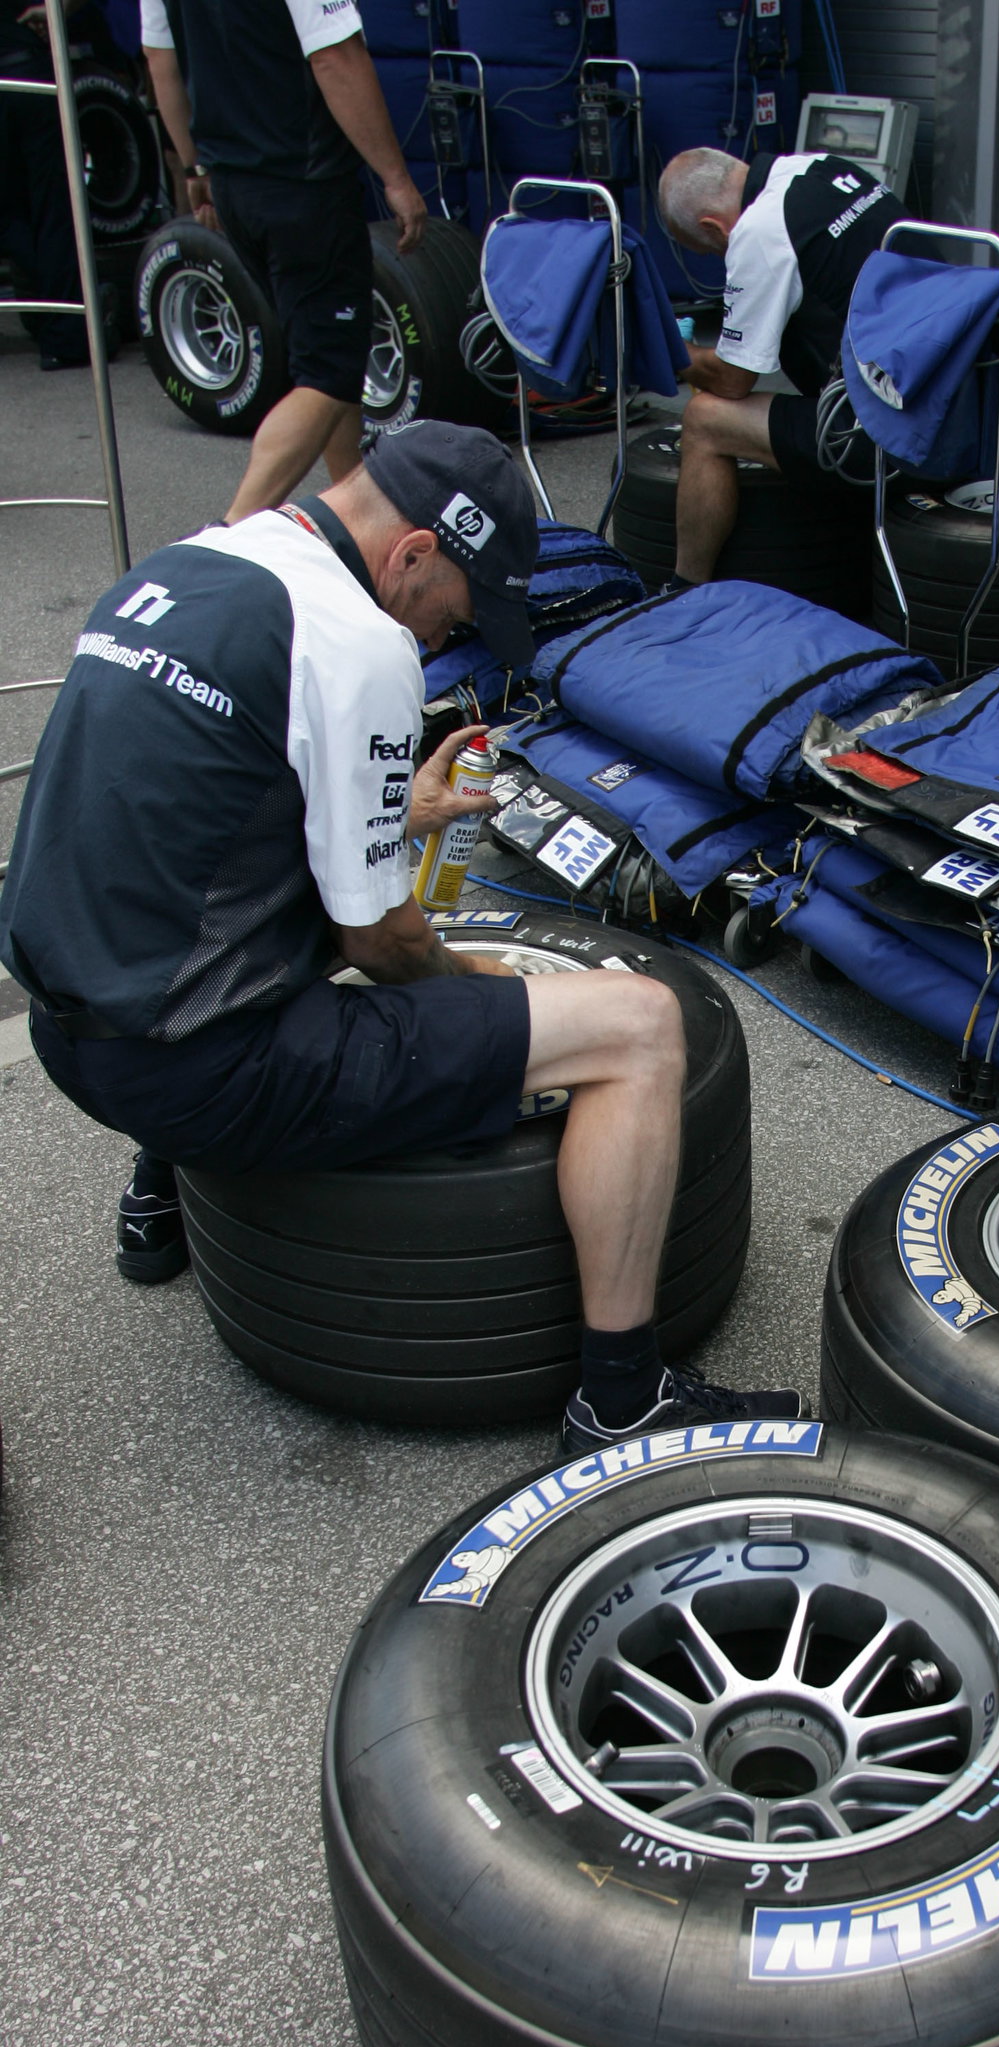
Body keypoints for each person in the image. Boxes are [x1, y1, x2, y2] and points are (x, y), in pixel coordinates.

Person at [0, 419, 803, 1454]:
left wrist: (398, 815)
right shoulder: (357, 639)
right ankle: (621, 1396)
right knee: (642, 1027)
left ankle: (159, 1197)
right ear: (413, 553)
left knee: (193, 897)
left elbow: (195, 819)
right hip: (194, 1070)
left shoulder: (192, 563)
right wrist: (480, 982)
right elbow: (380, 941)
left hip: (74, 1035)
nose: (440, 640)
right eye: (454, 610)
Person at [140, 0, 428, 525]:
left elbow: (161, 58)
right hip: (302, 184)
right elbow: (336, 57)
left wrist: (192, 164)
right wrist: (396, 178)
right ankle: (228, 538)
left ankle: (359, 522)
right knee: (326, 374)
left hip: (234, 183)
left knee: (326, 358)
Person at [656, 145, 903, 584]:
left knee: (705, 419)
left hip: (894, 437)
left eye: (712, 251)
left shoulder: (759, 231)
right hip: (953, 395)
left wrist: (673, 355)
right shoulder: (821, 167)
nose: (721, 259)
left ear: (712, 225)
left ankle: (682, 590)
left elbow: (733, 380)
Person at [0, 0, 105, 371]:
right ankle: (65, 333)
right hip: (28, 66)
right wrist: (56, 11)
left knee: (17, 212)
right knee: (54, 208)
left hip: (21, 68)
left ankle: (60, 319)